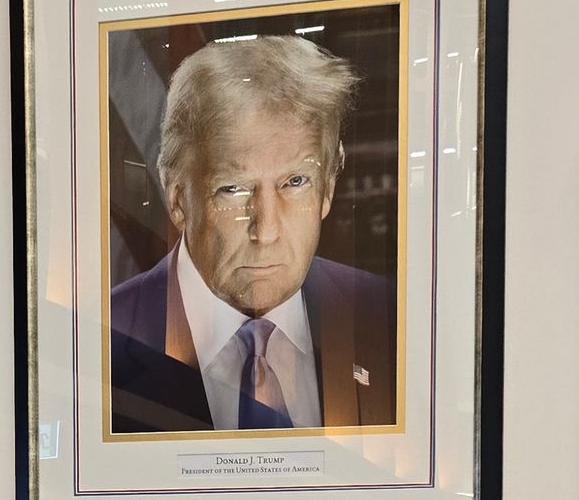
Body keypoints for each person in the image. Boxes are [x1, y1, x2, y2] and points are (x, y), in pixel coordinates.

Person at [108, 35, 398, 433]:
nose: (267, 230)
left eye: (295, 181)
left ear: (328, 189)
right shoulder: (92, 344)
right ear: (177, 199)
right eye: (233, 188)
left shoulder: (389, 319)